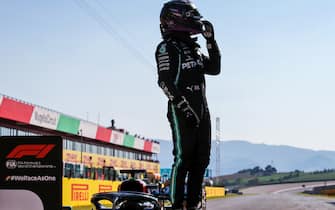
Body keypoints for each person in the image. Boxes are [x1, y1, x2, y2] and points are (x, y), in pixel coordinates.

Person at [155, 1, 221, 209]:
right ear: (174, 19)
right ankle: (176, 205)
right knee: (183, 159)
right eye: (189, 14)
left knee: (201, 160)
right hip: (181, 110)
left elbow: (215, 68)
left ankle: (192, 204)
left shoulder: (193, 49)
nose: (194, 18)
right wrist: (184, 108)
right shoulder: (167, 48)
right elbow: (164, 81)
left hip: (203, 110)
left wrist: (211, 40)